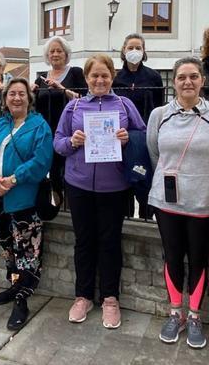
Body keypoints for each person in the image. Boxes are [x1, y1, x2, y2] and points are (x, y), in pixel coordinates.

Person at [53, 54, 147, 329]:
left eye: (104, 75)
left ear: (112, 77)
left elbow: (142, 137)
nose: (99, 80)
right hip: (79, 185)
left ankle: (110, 299)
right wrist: (72, 141)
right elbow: (57, 142)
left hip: (115, 187)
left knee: (109, 242)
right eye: (94, 75)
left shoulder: (124, 105)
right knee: (83, 242)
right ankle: (82, 296)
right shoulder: (73, 107)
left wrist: (129, 139)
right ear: (86, 79)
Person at [146, 57, 209, 348]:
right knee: (172, 257)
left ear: (202, 80)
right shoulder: (159, 114)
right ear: (174, 82)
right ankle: (175, 313)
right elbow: (154, 153)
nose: (187, 82)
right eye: (182, 77)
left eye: (194, 76)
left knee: (196, 259)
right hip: (167, 202)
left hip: (201, 203)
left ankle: (194, 315)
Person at [0, 78, 53, 330]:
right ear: (5, 98)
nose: (16, 98)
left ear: (29, 99)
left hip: (23, 199)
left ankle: (22, 298)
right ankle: (14, 284)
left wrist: (13, 179)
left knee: (26, 252)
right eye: (12, 94)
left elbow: (41, 160)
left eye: (21, 94)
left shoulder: (39, 126)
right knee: (7, 248)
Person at [34, 36, 86, 207]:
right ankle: (59, 205)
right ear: (47, 56)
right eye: (52, 51)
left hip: (69, 130)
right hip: (47, 131)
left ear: (66, 54)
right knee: (54, 171)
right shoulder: (41, 78)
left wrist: (62, 89)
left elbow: (84, 98)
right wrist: (31, 90)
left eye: (59, 51)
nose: (55, 54)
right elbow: (32, 103)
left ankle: (72, 206)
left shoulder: (76, 73)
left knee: (69, 169)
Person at [114, 33, 165, 122]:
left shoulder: (154, 76)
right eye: (130, 48)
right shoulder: (115, 78)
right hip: (122, 127)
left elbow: (159, 106)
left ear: (143, 50)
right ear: (124, 50)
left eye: (138, 48)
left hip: (147, 127)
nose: (134, 51)